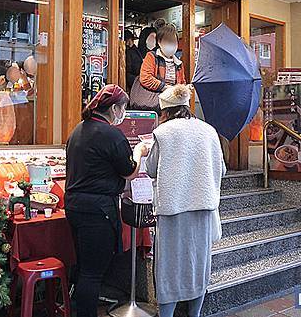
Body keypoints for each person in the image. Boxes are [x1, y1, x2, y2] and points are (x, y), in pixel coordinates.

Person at [65, 85, 148, 317]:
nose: (123, 113)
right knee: (92, 273)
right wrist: (140, 151)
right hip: (97, 211)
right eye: (123, 108)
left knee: (83, 267)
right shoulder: (111, 135)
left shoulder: (78, 131)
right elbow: (129, 170)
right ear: (113, 108)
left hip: (74, 206)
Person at [145, 84, 225, 317]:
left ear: (166, 112)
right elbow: (221, 169)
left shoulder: (163, 132)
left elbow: (151, 169)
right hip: (203, 207)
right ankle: (195, 313)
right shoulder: (209, 131)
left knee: (169, 267)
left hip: (173, 209)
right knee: (199, 264)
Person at [139, 24, 186, 94]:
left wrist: (184, 89)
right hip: (156, 100)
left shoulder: (178, 63)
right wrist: (166, 88)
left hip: (174, 100)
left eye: (173, 41)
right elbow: (145, 78)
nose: (171, 44)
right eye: (168, 41)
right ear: (159, 42)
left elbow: (182, 82)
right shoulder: (152, 56)